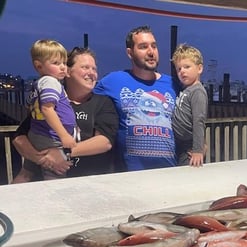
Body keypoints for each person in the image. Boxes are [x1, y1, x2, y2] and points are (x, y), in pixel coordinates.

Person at [12, 47, 119, 183]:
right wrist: (45, 159)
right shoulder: (49, 101)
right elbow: (19, 138)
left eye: (94, 69)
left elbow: (104, 142)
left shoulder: (103, 102)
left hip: (90, 182)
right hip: (46, 184)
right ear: (68, 71)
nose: (92, 73)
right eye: (86, 67)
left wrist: (62, 153)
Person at [93, 25, 179, 172]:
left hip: (169, 174)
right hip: (129, 177)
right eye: (143, 47)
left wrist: (198, 142)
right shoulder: (113, 81)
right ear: (130, 52)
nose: (151, 52)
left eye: (154, 46)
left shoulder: (173, 84)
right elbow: (83, 97)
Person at [26, 39, 79, 179]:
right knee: (57, 171)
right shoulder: (50, 81)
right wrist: (64, 135)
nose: (63, 67)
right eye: (56, 63)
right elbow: (47, 109)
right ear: (39, 66)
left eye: (64, 63)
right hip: (50, 137)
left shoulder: (40, 83)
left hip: (40, 134)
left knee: (28, 172)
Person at [171, 44, 208, 167]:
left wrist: (198, 150)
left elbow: (199, 120)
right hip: (179, 144)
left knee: (187, 176)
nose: (182, 71)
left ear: (199, 68)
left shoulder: (197, 91)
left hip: (189, 146)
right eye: (179, 69)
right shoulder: (186, 89)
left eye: (187, 67)